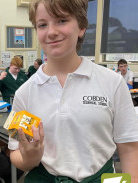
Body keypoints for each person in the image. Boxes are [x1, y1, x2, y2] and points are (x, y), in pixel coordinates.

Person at [8, 0, 138, 182]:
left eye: (62, 20)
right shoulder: (24, 93)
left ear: (82, 26)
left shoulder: (113, 83)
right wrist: (29, 157)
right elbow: (15, 151)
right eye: (43, 25)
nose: (52, 32)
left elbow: (130, 147)